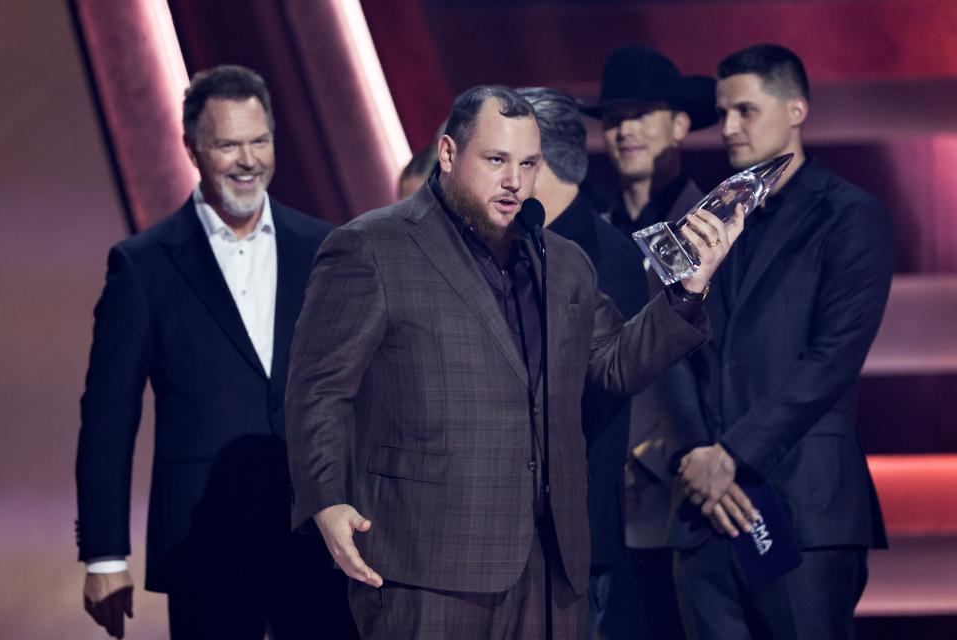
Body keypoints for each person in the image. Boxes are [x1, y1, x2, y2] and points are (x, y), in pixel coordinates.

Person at [285, 85, 741, 640]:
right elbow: (318, 391)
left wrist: (687, 292)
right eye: (496, 160)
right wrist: (326, 501)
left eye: (528, 163)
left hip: (550, 566)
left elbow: (614, 363)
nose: (514, 181)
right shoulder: (371, 247)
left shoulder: (561, 260)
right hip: (425, 563)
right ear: (449, 154)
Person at [76, 65, 356, 639]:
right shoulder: (145, 265)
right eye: (228, 144)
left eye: (259, 140)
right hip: (207, 548)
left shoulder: (328, 247)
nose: (247, 159)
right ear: (192, 149)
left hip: (319, 540)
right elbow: (108, 418)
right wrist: (105, 555)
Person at [670, 44, 894, 640]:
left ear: (796, 109)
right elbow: (673, 343)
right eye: (723, 114)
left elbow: (833, 359)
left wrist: (730, 456)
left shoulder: (850, 216)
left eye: (745, 110)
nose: (729, 128)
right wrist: (696, 454)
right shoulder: (707, 217)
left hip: (802, 507)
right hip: (704, 509)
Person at [579, 45, 718, 639]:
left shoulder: (719, 227)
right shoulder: (591, 235)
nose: (625, 130)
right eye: (613, 118)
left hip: (706, 490)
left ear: (680, 124)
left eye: (640, 114)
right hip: (614, 505)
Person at [515, 86, 648, 638]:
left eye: (506, 156)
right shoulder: (507, 242)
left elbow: (591, 388)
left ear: (537, 159)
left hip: (567, 538)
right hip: (496, 537)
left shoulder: (606, 256)